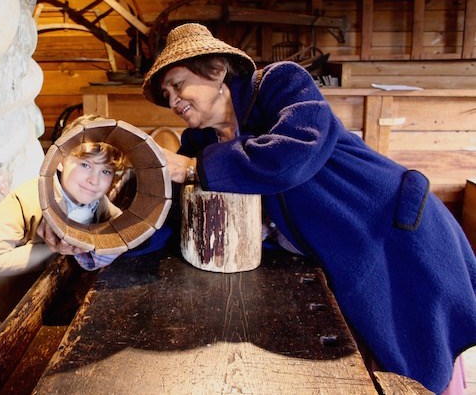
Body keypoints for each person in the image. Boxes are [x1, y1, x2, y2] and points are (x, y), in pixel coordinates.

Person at [141, 22, 476, 394]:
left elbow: (291, 156)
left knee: (424, 357)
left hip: (389, 231)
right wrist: (106, 240)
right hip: (344, 250)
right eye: (166, 94)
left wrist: (191, 168)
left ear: (216, 70)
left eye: (178, 84)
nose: (172, 101)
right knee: (378, 355)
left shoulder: (279, 85)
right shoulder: (201, 140)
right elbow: (178, 216)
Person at [0, 114, 128, 336]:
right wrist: (52, 247)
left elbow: (120, 222)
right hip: (5, 314)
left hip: (53, 304)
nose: (94, 180)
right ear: (59, 160)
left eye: (105, 171)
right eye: (85, 165)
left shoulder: (96, 200)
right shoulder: (24, 201)